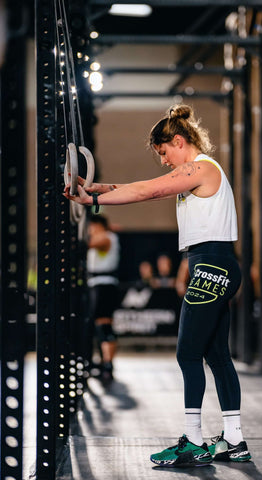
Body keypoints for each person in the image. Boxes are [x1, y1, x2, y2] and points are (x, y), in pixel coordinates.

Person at [64, 104, 251, 467]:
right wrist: (96, 188)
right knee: (216, 355)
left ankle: (193, 441)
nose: (164, 161)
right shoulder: (195, 173)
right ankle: (234, 439)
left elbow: (147, 192)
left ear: (178, 141)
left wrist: (94, 201)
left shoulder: (201, 169)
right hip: (214, 264)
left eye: (164, 152)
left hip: (211, 264)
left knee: (187, 353)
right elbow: (140, 187)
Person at [86, 214, 120, 382]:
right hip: (96, 284)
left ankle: (107, 364)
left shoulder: (107, 237)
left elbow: (89, 243)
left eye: (92, 226)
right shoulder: (106, 236)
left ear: (98, 225)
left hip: (104, 285)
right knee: (99, 326)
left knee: (104, 325)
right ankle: (102, 362)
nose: (90, 229)